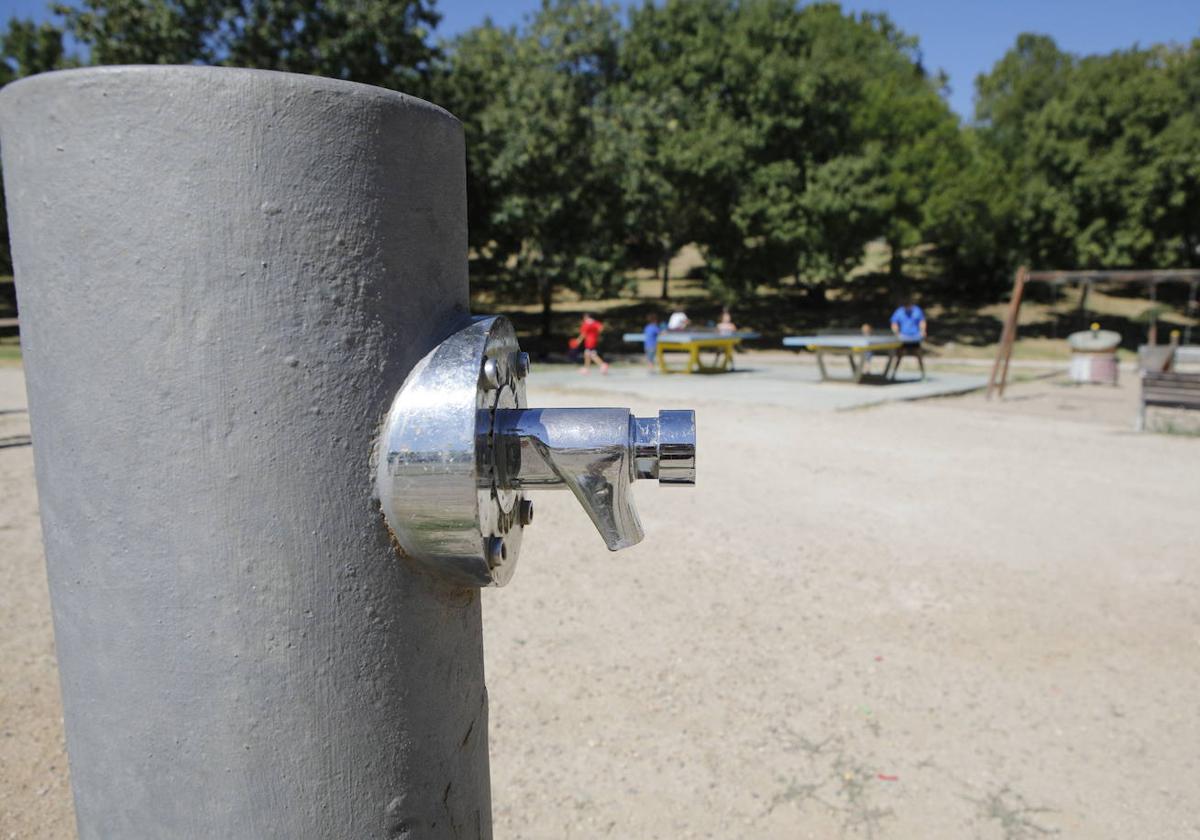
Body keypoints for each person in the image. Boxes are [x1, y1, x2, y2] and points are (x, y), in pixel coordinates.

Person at [889, 298, 926, 380]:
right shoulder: (899, 311)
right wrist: (897, 333)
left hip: (915, 338)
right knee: (899, 356)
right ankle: (893, 374)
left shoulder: (917, 311)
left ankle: (923, 374)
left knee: (919, 356)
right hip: (904, 338)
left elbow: (922, 321)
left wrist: (923, 331)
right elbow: (894, 323)